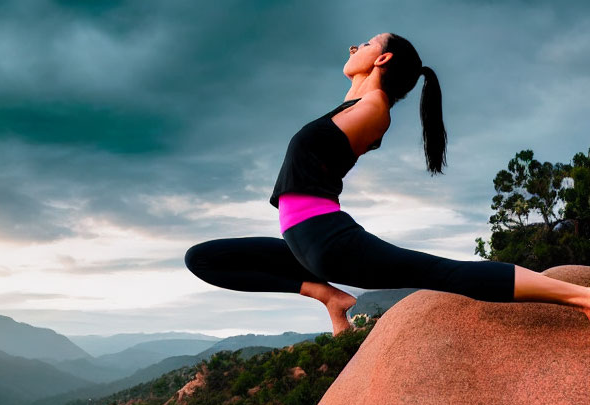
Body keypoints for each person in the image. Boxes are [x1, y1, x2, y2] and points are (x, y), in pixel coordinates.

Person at [184, 32, 590, 335]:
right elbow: (346, 103)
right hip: (300, 241)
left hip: (325, 238)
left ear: (384, 58)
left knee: (445, 273)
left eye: (366, 43)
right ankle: (328, 296)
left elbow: (359, 117)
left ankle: (581, 298)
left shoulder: (374, 109)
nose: (353, 47)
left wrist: (365, 79)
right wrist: (361, 70)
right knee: (201, 259)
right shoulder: (360, 103)